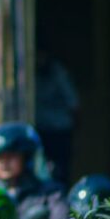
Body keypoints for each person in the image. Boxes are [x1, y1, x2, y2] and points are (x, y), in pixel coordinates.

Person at [35, 43, 79, 183]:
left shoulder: (58, 72)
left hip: (60, 130)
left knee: (61, 169)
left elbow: (74, 104)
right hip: (41, 130)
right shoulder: (30, 74)